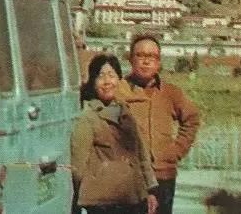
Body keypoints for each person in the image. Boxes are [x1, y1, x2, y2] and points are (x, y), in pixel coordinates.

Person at [116, 35, 201, 214]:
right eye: (140, 55)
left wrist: (175, 151)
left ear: (159, 62)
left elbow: (192, 118)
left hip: (163, 176)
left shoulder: (171, 93)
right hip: (129, 177)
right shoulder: (119, 91)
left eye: (152, 56)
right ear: (130, 59)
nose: (146, 61)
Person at [71, 54, 159, 214]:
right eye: (101, 76)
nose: (107, 82)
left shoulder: (126, 113)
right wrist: (89, 195)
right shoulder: (87, 118)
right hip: (103, 204)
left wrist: (151, 190)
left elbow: (141, 155)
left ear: (119, 79)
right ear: (93, 82)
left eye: (111, 75)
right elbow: (78, 167)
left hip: (133, 198)